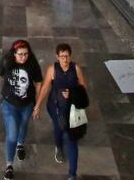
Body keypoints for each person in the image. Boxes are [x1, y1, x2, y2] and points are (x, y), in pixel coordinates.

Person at [0, 40, 43, 179]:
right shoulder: (7, 60)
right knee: (12, 134)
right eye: (20, 54)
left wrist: (37, 103)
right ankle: (9, 165)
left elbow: (39, 81)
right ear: (14, 53)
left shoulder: (32, 63)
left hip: (27, 104)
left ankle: (20, 145)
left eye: (26, 54)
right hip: (9, 105)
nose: (23, 57)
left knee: (23, 126)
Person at [34, 43, 88, 180]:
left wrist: (72, 94)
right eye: (62, 56)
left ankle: (72, 174)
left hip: (72, 108)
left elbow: (84, 89)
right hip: (55, 107)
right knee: (58, 128)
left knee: (72, 139)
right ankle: (58, 146)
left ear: (70, 56)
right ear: (57, 56)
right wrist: (38, 105)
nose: (64, 59)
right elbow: (45, 88)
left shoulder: (76, 69)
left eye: (67, 56)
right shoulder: (52, 69)